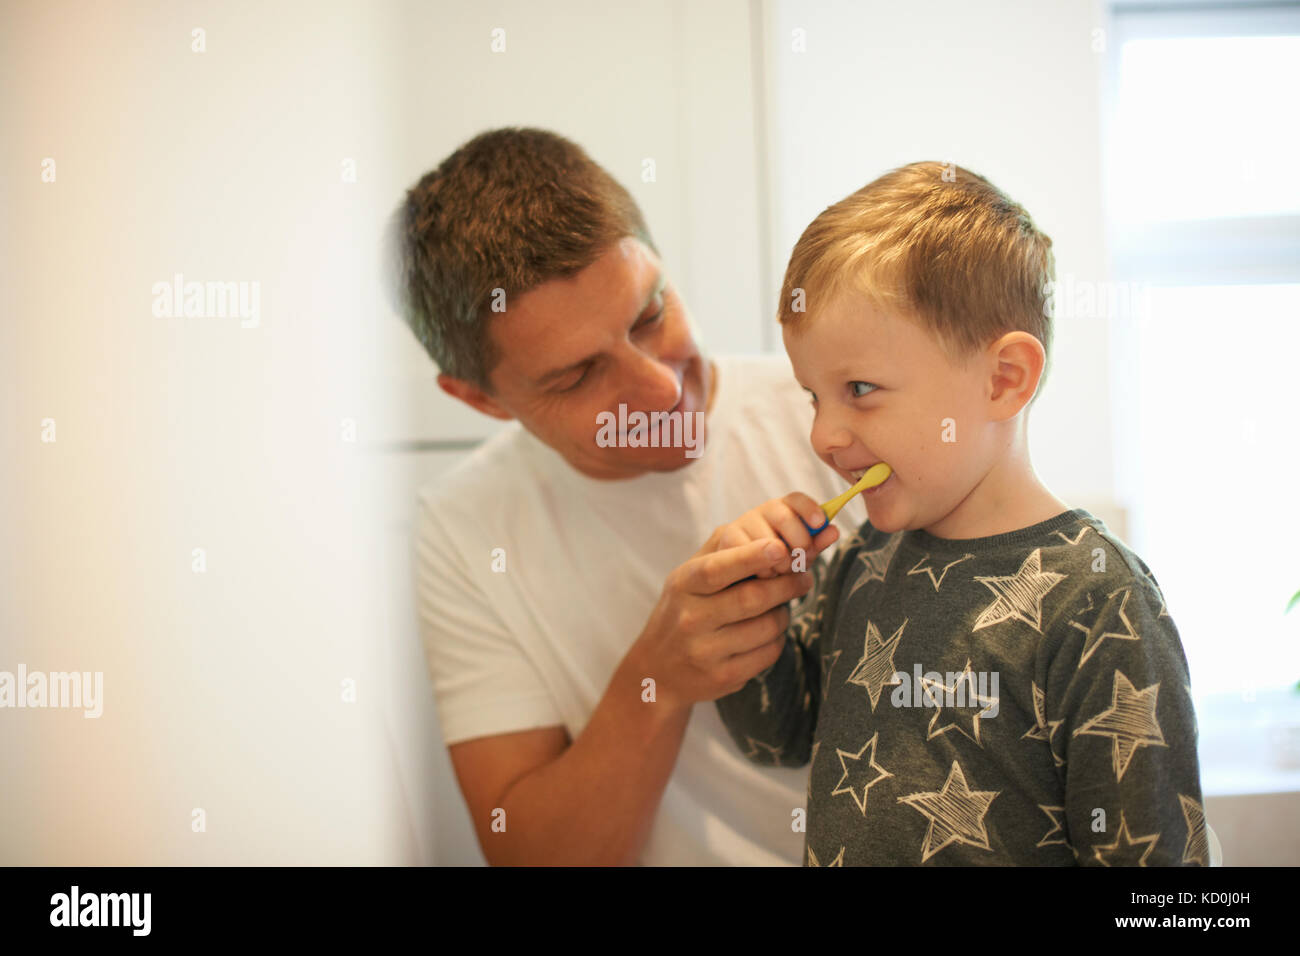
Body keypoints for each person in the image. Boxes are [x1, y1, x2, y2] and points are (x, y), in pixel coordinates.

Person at [387, 127, 862, 865]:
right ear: (481, 400)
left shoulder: (842, 415)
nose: (660, 387)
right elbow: (532, 855)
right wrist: (657, 677)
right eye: (577, 376)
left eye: (651, 316)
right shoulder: (464, 528)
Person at [712, 162, 1210, 866]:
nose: (823, 435)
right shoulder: (865, 558)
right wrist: (750, 606)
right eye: (812, 396)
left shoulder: (1099, 599)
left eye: (859, 389)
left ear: (1004, 380)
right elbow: (778, 738)